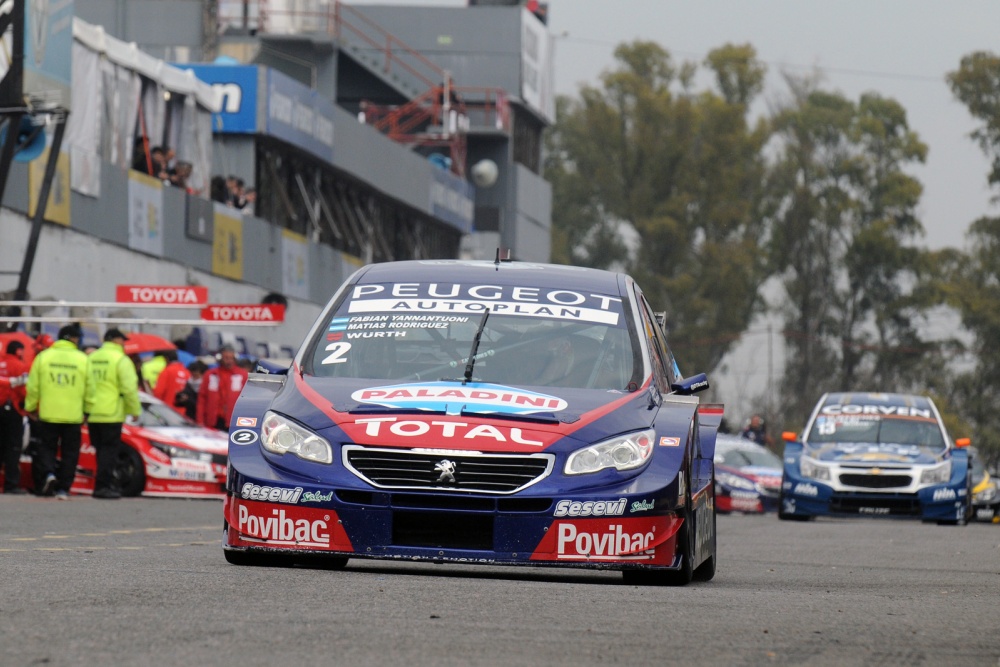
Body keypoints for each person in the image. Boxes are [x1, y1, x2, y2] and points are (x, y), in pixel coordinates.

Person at [24, 324, 90, 499]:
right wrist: (87, 410)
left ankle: (49, 474)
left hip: (48, 413)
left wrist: (31, 407)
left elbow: (33, 387)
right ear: (73, 339)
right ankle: (63, 488)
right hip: (73, 415)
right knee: (70, 452)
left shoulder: (44, 357)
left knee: (47, 448)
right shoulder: (83, 359)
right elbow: (90, 389)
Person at [85, 329, 141, 499]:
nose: (124, 343)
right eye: (122, 340)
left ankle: (101, 484)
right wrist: (135, 410)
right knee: (108, 452)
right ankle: (103, 486)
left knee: (100, 451)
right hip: (111, 413)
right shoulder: (121, 360)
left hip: (92, 413)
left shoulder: (92, 358)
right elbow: (129, 389)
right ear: (115, 340)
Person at [0, 340, 30, 493]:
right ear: (19, 351)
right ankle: (11, 485)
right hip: (13, 411)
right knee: (13, 447)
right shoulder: (19, 366)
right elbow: (24, 390)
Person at [197, 345, 248, 430]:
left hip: (233, 422)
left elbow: (247, 401)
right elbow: (202, 399)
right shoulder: (210, 375)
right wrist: (200, 421)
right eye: (226, 358)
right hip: (212, 421)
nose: (229, 361)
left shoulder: (242, 375)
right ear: (220, 358)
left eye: (231, 358)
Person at [153, 349, 191, 416]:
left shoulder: (167, 371)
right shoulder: (187, 372)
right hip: (185, 413)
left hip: (168, 412)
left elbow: (158, 392)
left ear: (167, 359)